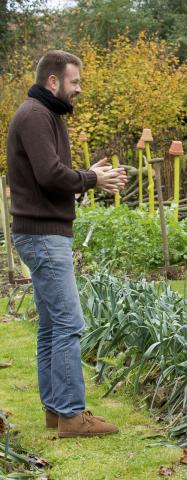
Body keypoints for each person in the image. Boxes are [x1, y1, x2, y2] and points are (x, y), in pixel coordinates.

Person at [7, 50, 127, 437]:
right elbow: (50, 175)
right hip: (43, 235)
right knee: (68, 323)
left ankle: (56, 410)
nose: (79, 89)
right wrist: (92, 179)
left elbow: (53, 176)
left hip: (43, 231)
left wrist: (87, 177)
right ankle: (73, 415)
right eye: (75, 82)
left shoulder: (46, 115)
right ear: (54, 81)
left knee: (51, 326)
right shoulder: (36, 115)